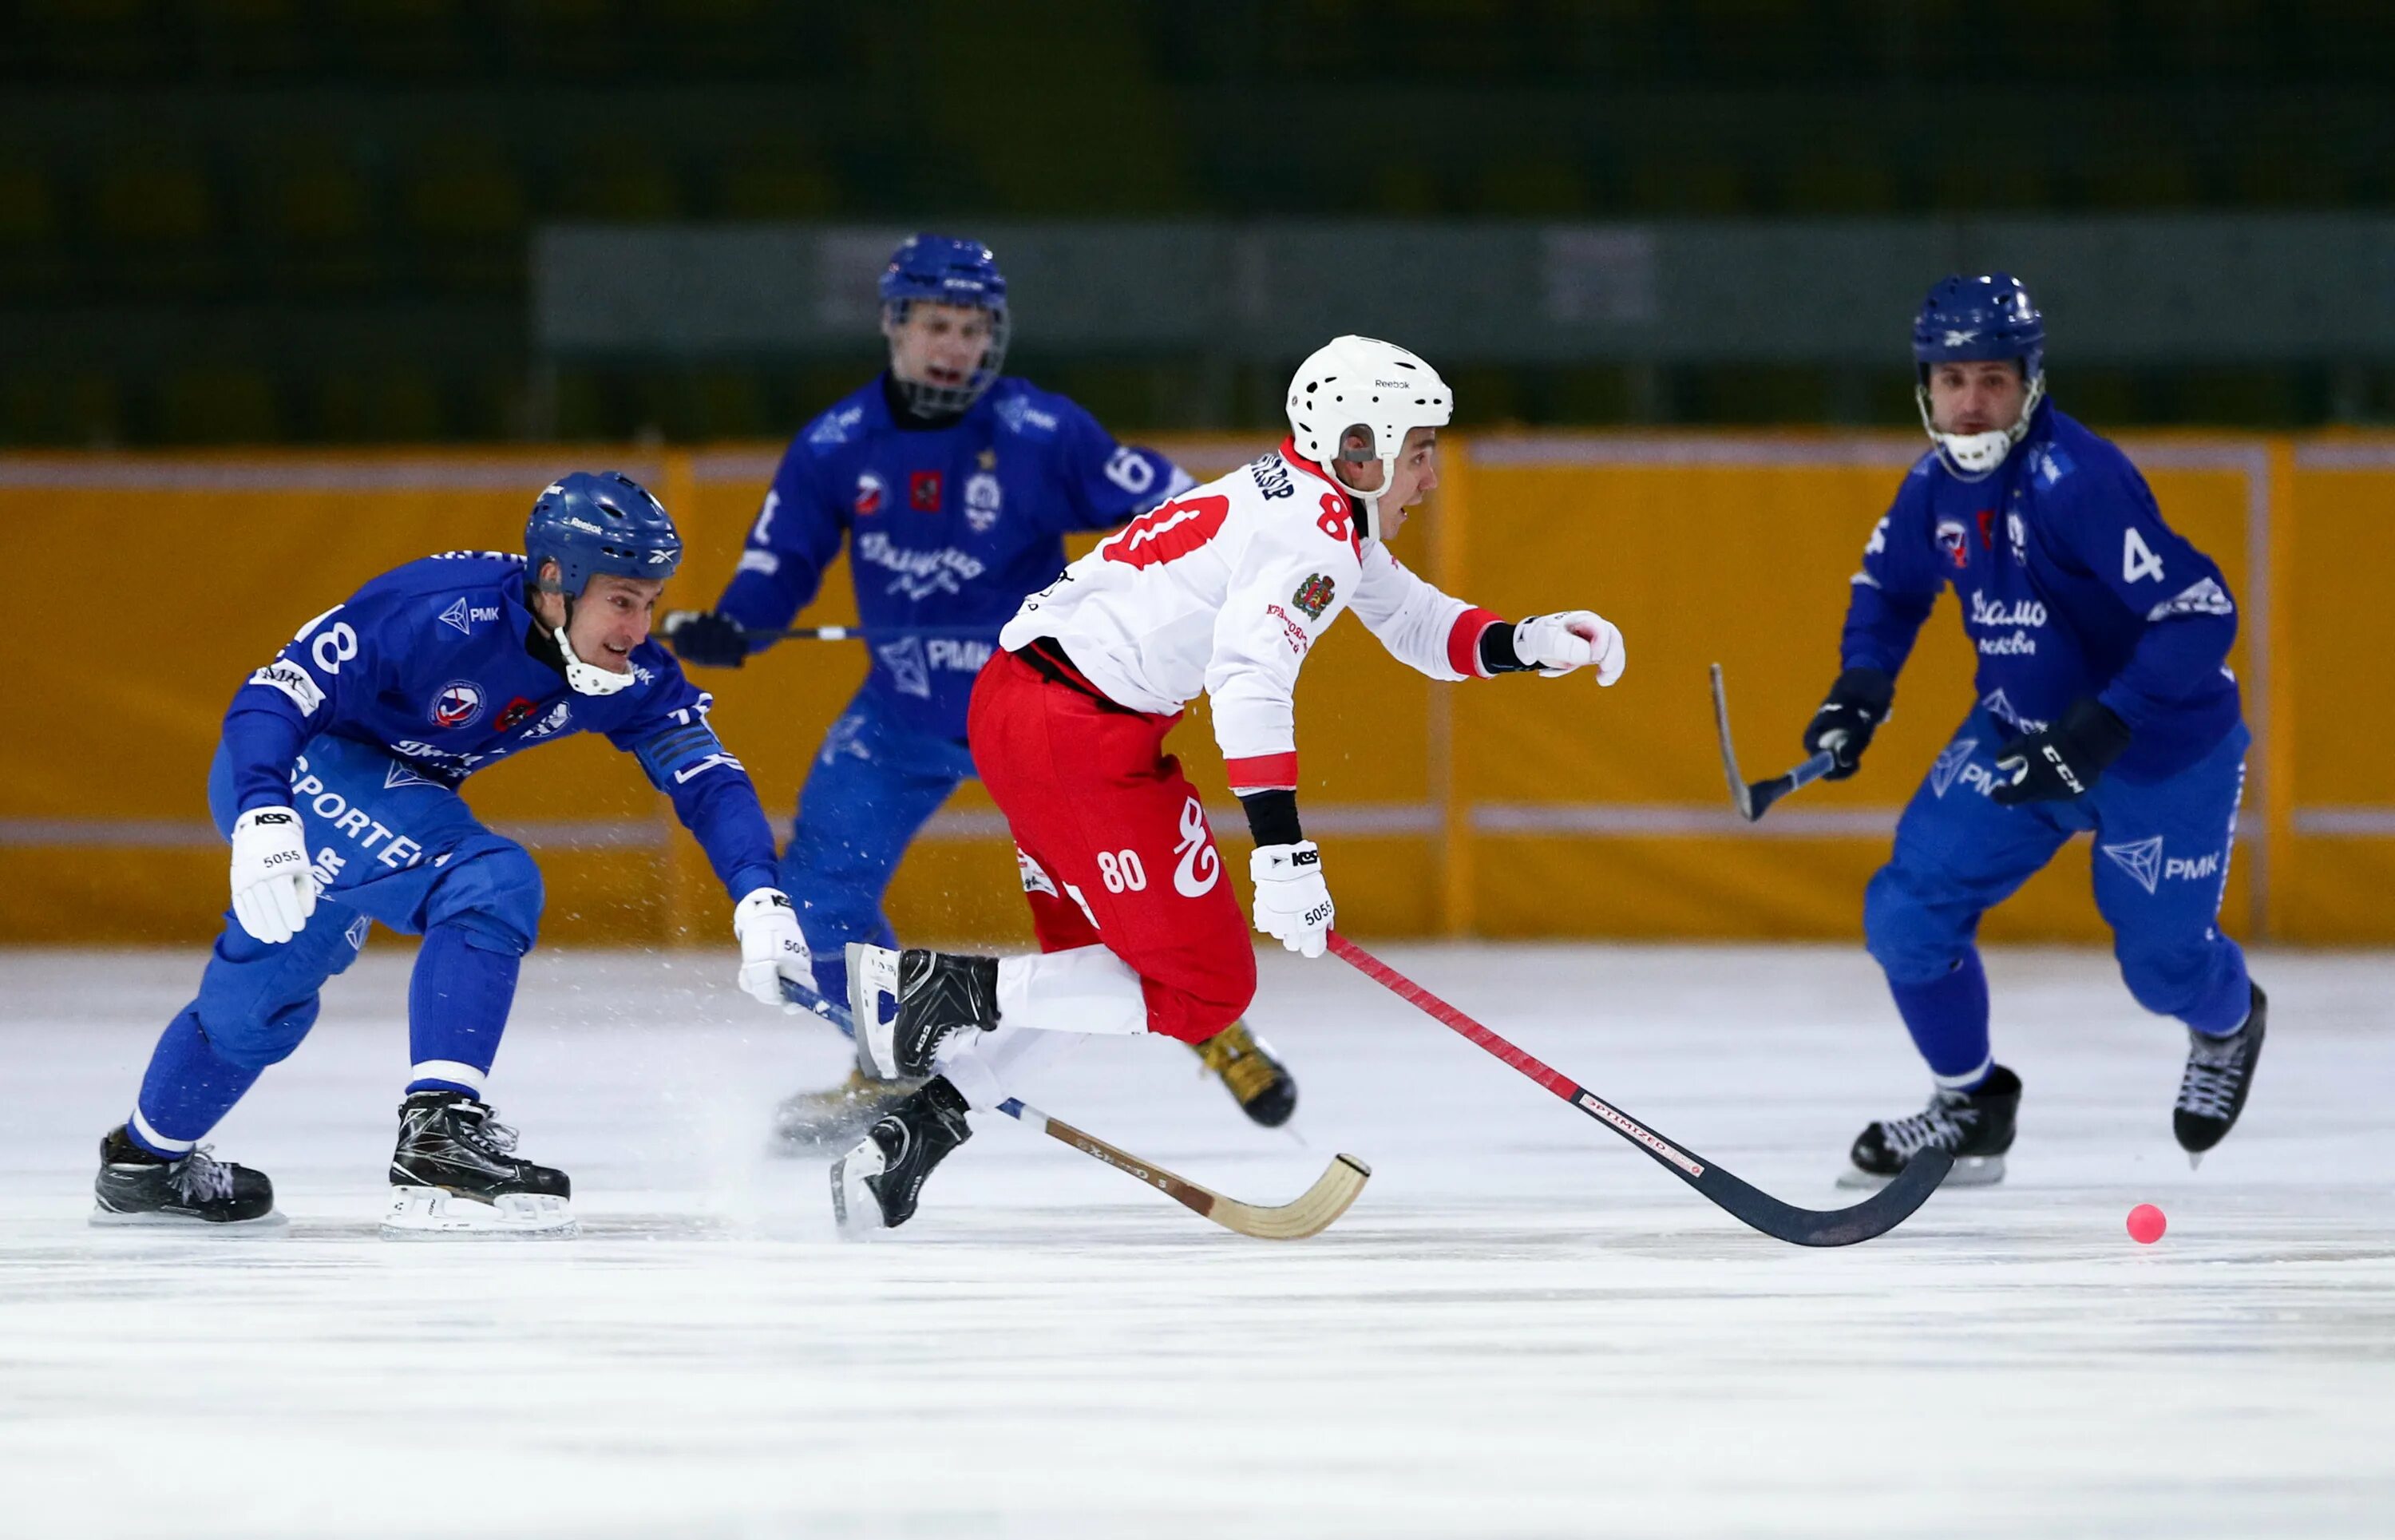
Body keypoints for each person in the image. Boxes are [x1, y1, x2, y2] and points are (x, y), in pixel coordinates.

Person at [833, 334, 1629, 1230]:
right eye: (1419, 452)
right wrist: (1285, 858)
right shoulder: (1314, 535)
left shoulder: (1313, 506)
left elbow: (1414, 622)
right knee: (1206, 991)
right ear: (1358, 448)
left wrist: (1529, 642)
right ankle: (938, 992)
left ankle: (912, 1135)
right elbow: (1249, 683)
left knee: (1102, 977)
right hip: (1075, 733)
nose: (1430, 477)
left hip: (1033, 710)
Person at [663, 233, 1302, 1146]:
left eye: (971, 328)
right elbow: (779, 560)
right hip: (903, 714)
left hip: (1034, 714)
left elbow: (1180, 505)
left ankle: (1217, 1027)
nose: (953, 346)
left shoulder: (1041, 431)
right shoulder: (837, 444)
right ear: (895, 326)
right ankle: (894, 1057)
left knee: (1118, 908)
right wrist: (738, 621)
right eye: (935, 325)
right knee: (810, 905)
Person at [92, 473, 810, 1236]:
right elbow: (274, 695)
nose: (638, 628)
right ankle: (438, 1137)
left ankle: (145, 1163)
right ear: (555, 581)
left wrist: (759, 892)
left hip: (378, 794)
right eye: (623, 601)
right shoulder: (434, 611)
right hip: (287, 769)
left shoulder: (625, 672)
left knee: (256, 1009)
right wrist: (268, 811)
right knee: (490, 882)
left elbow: (707, 776)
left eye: (651, 602)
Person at [1810, 275, 2266, 1189]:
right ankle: (1970, 1108)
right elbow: (1891, 590)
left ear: (2030, 382)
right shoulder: (1932, 486)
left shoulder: (2077, 481)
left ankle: (2227, 1018)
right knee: (1906, 912)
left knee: (2160, 969)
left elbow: (2201, 610)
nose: (1971, 403)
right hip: (2020, 732)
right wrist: (1860, 688)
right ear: (1925, 388)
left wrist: (2107, 725)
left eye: (1993, 379)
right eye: (1952, 381)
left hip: (2160, 750)